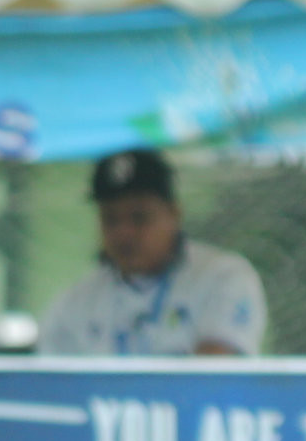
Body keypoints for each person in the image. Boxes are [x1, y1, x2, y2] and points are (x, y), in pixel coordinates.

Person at [38, 148, 266, 356]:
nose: (124, 233)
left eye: (139, 217)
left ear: (174, 214)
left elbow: (213, 377)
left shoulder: (222, 276)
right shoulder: (75, 303)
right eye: (111, 219)